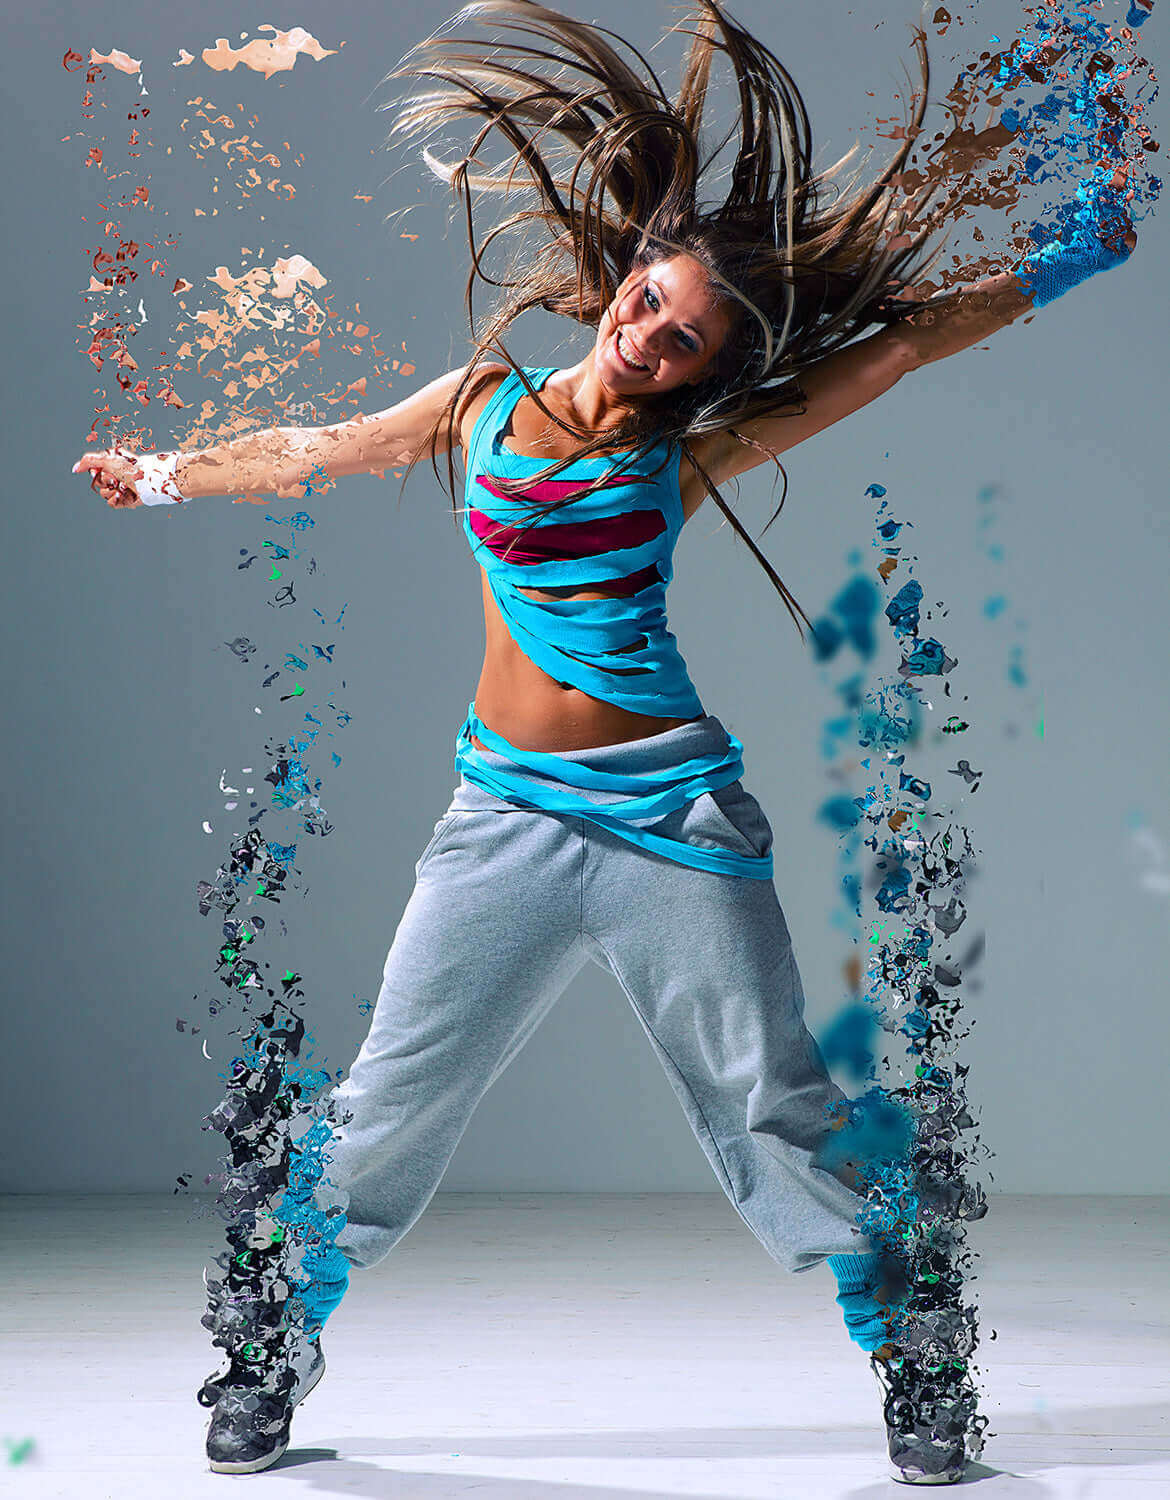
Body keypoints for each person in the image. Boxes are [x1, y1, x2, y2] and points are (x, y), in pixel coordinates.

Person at [74, 1, 1137, 1483]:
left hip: (670, 817)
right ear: (625, 276)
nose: (647, 336)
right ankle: (269, 1352)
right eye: (649, 302)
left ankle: (917, 1363)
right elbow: (321, 448)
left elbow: (898, 348)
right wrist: (168, 475)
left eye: (683, 339)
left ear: (705, 370)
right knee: (389, 1105)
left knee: (775, 1106)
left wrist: (1070, 257)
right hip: (502, 817)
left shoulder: (687, 447)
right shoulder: (479, 403)